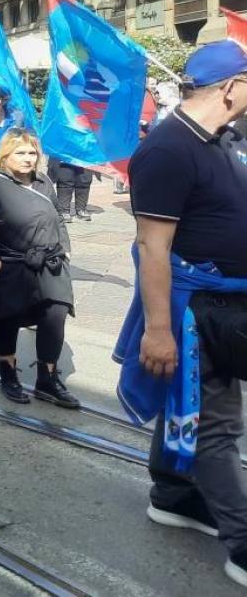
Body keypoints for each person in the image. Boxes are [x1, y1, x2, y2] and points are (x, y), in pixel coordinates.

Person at [115, 41, 247, 587]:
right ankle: (242, 542)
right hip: (197, 311)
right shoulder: (168, 149)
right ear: (233, 87)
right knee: (217, 424)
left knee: (189, 404)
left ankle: (174, 491)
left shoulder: (218, 139)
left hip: (227, 301)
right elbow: (153, 248)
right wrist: (160, 332)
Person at [0, 130, 79, 408]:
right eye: (20, 153)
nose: (28, 159)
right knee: (8, 319)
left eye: (32, 153)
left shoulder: (44, 182)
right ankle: (9, 376)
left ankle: (48, 379)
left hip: (51, 263)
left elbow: (59, 219)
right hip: (10, 265)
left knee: (55, 315)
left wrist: (65, 248)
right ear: (5, 155)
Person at [49, 157, 93, 222]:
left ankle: (81, 209)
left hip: (84, 155)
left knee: (84, 181)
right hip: (64, 155)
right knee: (65, 181)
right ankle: (64, 211)